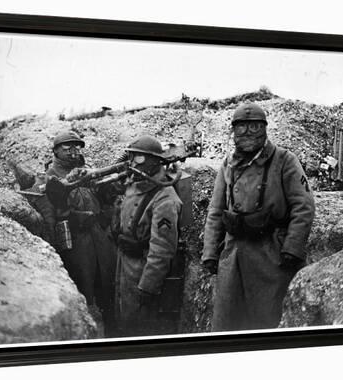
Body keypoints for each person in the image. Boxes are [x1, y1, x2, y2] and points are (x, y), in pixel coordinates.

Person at [201, 102, 315, 331]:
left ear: (264, 129)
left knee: (266, 323)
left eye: (254, 127)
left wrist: (292, 248)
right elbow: (215, 211)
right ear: (233, 131)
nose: (247, 133)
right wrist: (211, 253)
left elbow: (303, 206)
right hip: (233, 256)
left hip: (271, 255)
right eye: (241, 127)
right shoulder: (228, 164)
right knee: (227, 324)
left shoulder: (285, 160)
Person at [30, 130, 118, 335]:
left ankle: (114, 335)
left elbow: (105, 199)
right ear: (55, 151)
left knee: (108, 285)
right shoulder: (48, 178)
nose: (73, 151)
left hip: (100, 237)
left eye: (77, 146)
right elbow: (47, 213)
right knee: (84, 290)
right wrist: (72, 215)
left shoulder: (86, 171)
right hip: (76, 241)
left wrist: (109, 191)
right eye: (67, 147)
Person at [113, 135, 183, 337]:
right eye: (132, 157)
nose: (134, 163)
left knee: (140, 324)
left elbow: (162, 250)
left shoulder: (165, 198)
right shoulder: (135, 184)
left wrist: (148, 286)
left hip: (142, 269)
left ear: (154, 161)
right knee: (123, 315)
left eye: (140, 158)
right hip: (125, 263)